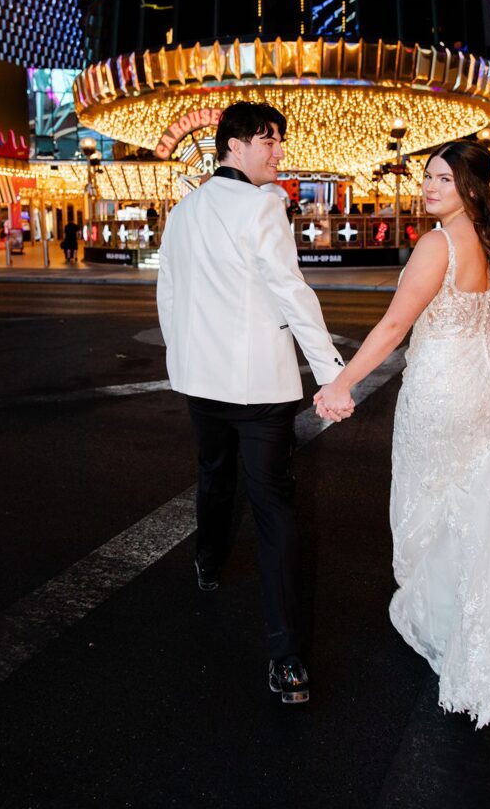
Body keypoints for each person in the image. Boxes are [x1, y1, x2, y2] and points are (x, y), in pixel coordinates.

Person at [314, 140, 490, 759]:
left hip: (444, 390)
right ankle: (486, 622)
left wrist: (341, 383)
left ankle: (451, 624)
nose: (429, 186)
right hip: (487, 382)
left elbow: (392, 326)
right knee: (482, 501)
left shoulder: (438, 244)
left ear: (469, 186)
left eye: (443, 178)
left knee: (432, 504)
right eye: (427, 176)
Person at [157, 101, 351, 705]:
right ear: (233, 147)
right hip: (259, 389)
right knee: (274, 510)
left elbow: (169, 295)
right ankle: (287, 659)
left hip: (201, 383)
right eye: (267, 140)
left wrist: (181, 361)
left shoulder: (183, 211)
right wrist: (332, 374)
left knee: (214, 473)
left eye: (279, 141)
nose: (278, 151)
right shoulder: (265, 206)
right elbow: (293, 295)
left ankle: (208, 561)